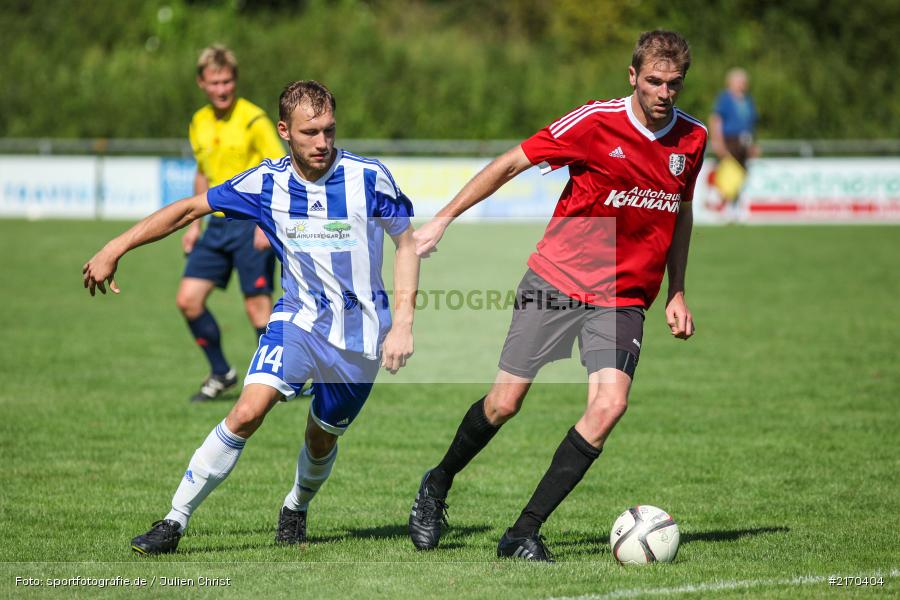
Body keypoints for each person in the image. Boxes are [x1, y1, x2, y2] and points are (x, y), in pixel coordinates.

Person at [407, 30, 707, 562]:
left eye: (674, 84)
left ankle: (522, 532)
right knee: (504, 403)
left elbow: (680, 212)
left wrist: (677, 290)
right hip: (556, 281)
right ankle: (437, 483)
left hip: (623, 298)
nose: (664, 92)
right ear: (633, 76)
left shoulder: (693, 139)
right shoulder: (594, 122)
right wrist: (442, 222)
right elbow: (509, 163)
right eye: (654, 81)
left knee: (610, 405)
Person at [83, 80, 419, 555]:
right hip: (298, 322)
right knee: (246, 411)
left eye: (328, 130)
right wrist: (116, 246)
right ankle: (173, 521)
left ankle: (296, 505)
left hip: (361, 337)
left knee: (321, 438)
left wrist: (402, 323)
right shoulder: (265, 183)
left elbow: (407, 243)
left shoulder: (369, 177)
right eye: (309, 133)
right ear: (285, 131)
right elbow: (189, 209)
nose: (322, 142)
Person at [179, 45, 286, 402]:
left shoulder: (254, 119)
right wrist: (193, 225)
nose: (222, 89)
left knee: (257, 305)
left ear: (235, 81)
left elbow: (280, 173)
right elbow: (202, 173)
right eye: (215, 82)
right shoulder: (198, 122)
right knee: (188, 300)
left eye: (227, 81)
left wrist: (264, 223)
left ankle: (280, 376)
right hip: (215, 226)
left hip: (251, 223)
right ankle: (221, 372)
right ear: (202, 83)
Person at [709, 67, 759, 215]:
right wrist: (718, 142)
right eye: (739, 81)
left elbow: (752, 124)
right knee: (728, 173)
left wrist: (753, 145)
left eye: (744, 81)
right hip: (730, 141)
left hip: (745, 142)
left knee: (741, 174)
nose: (743, 84)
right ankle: (720, 205)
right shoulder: (724, 99)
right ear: (730, 82)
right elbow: (716, 120)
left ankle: (735, 206)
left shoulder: (748, 100)